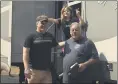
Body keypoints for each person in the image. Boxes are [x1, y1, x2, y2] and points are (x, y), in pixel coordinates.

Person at [23, 15, 65, 83]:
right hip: (33, 71)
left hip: (47, 72)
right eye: (42, 23)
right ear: (37, 24)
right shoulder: (31, 37)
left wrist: (68, 41)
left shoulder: (50, 36)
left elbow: (57, 46)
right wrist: (26, 68)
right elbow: (25, 53)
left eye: (45, 23)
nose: (44, 25)